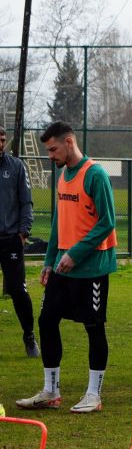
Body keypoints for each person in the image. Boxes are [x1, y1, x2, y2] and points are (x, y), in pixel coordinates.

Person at [16, 122, 117, 413]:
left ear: (69, 141)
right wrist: (49, 261)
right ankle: (51, 391)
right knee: (47, 321)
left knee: (94, 328)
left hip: (92, 267)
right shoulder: (62, 177)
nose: (50, 155)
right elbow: (60, 224)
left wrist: (76, 253)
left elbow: (107, 222)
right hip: (63, 266)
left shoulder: (95, 174)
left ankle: (93, 395)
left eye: (53, 149)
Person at [0, 126, 38, 357]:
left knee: (18, 290)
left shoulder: (16, 167)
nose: (1, 143)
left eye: (2, 139)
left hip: (10, 239)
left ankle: (29, 336)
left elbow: (26, 202)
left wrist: (24, 232)